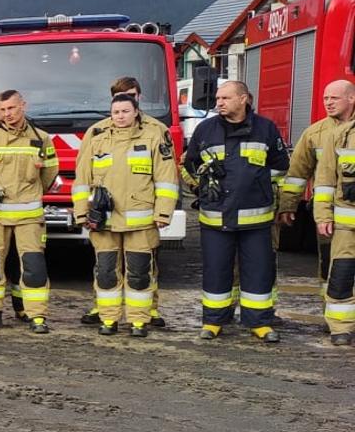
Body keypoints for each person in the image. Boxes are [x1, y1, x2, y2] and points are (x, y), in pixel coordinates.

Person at [188, 80, 288, 343]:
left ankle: (259, 323)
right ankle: (213, 321)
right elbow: (189, 164)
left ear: (244, 99)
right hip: (215, 217)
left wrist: (263, 189)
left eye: (225, 98)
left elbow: (280, 166)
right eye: (218, 98)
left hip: (256, 219)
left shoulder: (265, 129)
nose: (219, 102)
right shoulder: (205, 130)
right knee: (216, 270)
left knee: (258, 271)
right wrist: (202, 184)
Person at [76, 94, 178, 336]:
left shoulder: (153, 137)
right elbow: (82, 180)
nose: (120, 116)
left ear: (136, 112)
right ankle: (108, 319)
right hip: (104, 222)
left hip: (140, 223)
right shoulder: (97, 138)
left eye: (125, 111)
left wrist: (163, 212)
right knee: (106, 272)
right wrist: (82, 214)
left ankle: (138, 322)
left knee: (140, 274)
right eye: (115, 112)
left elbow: (166, 179)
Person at [0, 90, 58, 333]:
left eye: (12, 108)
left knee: (33, 268)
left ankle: (37, 316)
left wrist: (29, 193)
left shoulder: (41, 139)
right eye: (4, 109)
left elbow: (49, 175)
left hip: (29, 217)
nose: (8, 114)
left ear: (23, 105)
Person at [282, 79, 353, 293]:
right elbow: (297, 174)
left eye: (334, 98)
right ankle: (331, 314)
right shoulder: (315, 133)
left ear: (351, 98)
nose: (328, 103)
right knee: (329, 266)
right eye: (325, 98)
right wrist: (288, 205)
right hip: (328, 215)